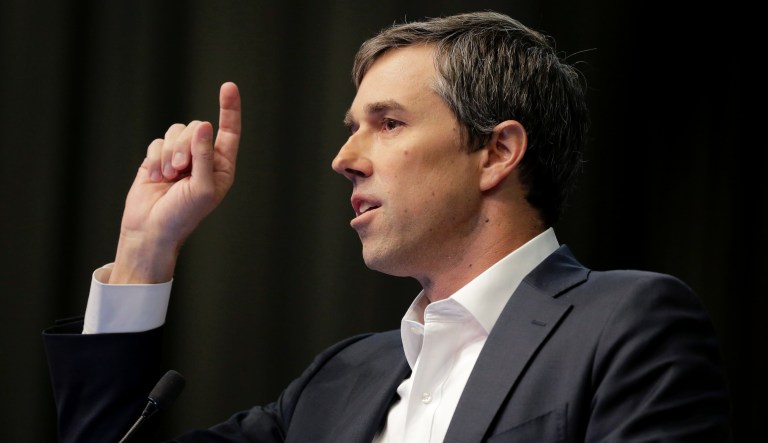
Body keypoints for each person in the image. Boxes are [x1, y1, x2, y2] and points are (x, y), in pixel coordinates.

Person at [43, 11, 732, 443]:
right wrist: (144, 247)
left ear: (497, 151)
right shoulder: (337, 379)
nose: (344, 159)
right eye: (352, 130)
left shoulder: (626, 322)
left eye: (389, 123)